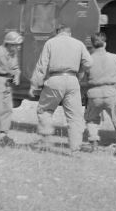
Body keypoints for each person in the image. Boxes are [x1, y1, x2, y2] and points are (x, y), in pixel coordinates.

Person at [29, 24, 92, 155]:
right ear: (69, 33)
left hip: (55, 80)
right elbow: (89, 63)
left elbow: (42, 66)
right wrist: (79, 73)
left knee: (45, 110)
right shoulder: (79, 44)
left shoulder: (50, 43)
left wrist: (35, 85)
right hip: (73, 81)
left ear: (58, 32)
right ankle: (75, 150)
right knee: (75, 117)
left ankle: (45, 141)